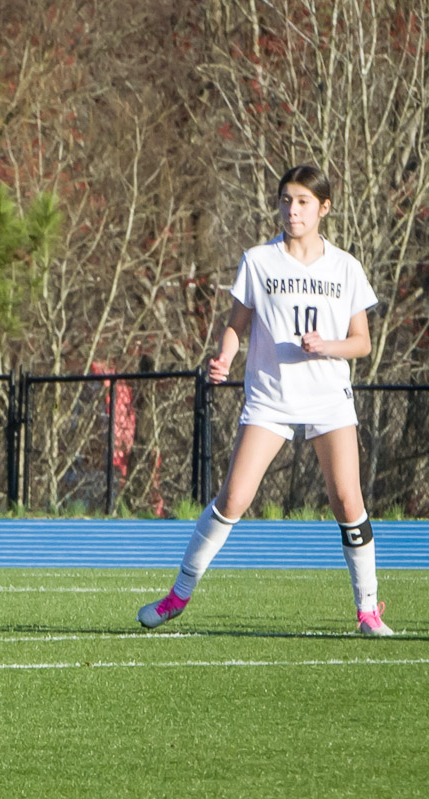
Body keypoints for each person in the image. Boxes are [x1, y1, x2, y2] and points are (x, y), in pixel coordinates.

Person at [137, 165, 393, 636]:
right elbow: (238, 323)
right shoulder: (259, 260)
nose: (292, 210)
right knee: (233, 496)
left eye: (302, 202)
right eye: (285, 201)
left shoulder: (346, 267)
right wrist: (225, 357)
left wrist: (327, 346)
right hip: (271, 399)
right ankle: (178, 596)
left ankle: (368, 610)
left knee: (346, 499)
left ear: (324, 209)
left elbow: (362, 342)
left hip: (328, 399)